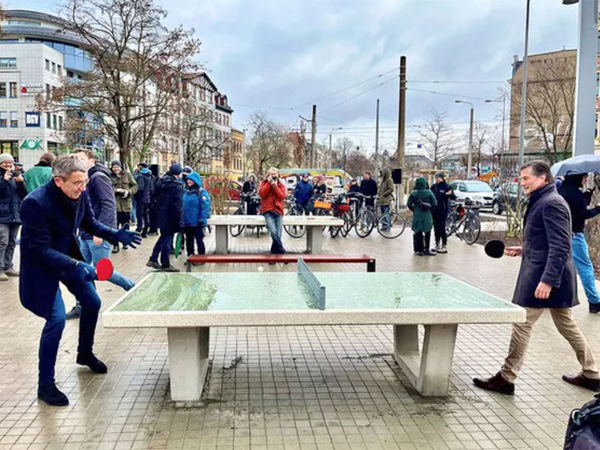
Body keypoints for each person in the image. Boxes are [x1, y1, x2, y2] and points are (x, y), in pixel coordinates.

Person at [20, 154, 141, 406]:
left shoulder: (80, 194)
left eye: (84, 182)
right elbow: (41, 250)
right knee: (56, 319)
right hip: (42, 267)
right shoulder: (34, 204)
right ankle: (46, 385)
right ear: (58, 181)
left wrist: (115, 234)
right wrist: (79, 264)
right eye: (77, 183)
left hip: (68, 257)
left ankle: (84, 354)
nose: (83, 188)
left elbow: (91, 222)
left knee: (93, 301)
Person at [473, 161, 600, 395]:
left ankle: (506, 377)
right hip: (547, 274)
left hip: (545, 278)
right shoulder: (544, 199)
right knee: (566, 324)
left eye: (525, 178)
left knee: (522, 322)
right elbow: (547, 239)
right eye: (521, 179)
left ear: (542, 179)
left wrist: (548, 280)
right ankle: (592, 373)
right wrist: (524, 249)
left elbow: (561, 245)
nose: (521, 183)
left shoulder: (552, 203)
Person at [66, 150, 135, 320]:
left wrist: (101, 231)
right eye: (75, 159)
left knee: (103, 271)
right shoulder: (84, 179)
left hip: (97, 234)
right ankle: (84, 305)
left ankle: (133, 288)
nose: (78, 163)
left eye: (81, 159)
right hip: (84, 234)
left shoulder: (98, 178)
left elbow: (108, 205)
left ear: (91, 160)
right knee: (80, 271)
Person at [558, 173, 600, 314]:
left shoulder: (561, 191)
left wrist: (587, 194)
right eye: (584, 177)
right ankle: (594, 301)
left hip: (560, 234)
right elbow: (584, 214)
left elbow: (577, 208)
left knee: (558, 265)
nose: (586, 179)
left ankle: (547, 297)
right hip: (575, 236)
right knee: (585, 267)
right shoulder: (575, 194)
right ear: (579, 178)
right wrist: (599, 208)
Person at [147, 164, 184, 271]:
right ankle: (165, 263)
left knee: (163, 237)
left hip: (159, 215)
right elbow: (178, 206)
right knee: (167, 239)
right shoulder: (178, 186)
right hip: (171, 217)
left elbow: (153, 196)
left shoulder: (160, 182)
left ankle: (153, 258)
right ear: (178, 174)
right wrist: (180, 221)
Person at [0, 153, 27, 281]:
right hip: (2, 216)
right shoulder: (2, 178)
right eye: (5, 162)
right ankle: (0, 269)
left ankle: (8, 266)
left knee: (11, 242)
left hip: (15, 215)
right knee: (2, 242)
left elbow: (24, 195)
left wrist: (21, 183)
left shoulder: (16, 176)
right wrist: (4, 181)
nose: (8, 164)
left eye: (10, 162)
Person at [110, 161, 138, 253]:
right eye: (114, 167)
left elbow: (135, 186)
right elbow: (107, 188)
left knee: (125, 225)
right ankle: (115, 245)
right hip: (115, 205)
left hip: (126, 204)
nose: (116, 169)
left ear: (121, 167)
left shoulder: (127, 175)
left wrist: (128, 191)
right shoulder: (110, 176)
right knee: (115, 227)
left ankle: (125, 242)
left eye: (117, 167)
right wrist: (115, 190)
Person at [182, 172, 211, 256]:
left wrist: (202, 219)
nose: (189, 181)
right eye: (188, 180)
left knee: (199, 240)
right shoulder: (186, 192)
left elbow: (205, 206)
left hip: (197, 222)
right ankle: (190, 258)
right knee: (189, 241)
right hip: (187, 223)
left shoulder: (201, 192)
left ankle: (201, 258)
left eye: (191, 180)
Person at [259, 167, 286, 255]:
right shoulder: (264, 183)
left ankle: (273, 254)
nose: (273, 176)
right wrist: (269, 184)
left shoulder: (281, 185)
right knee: (273, 232)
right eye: (271, 174)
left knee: (278, 234)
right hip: (268, 211)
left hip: (278, 212)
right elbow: (262, 194)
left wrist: (275, 186)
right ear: (268, 175)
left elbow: (281, 197)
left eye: (275, 174)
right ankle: (282, 250)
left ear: (278, 175)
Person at [407, 177, 437, 256]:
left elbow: (409, 204)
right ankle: (426, 249)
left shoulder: (413, 193)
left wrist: (414, 209)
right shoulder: (429, 192)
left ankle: (419, 250)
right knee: (427, 232)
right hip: (427, 214)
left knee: (418, 232)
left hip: (417, 214)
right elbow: (434, 203)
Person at [431, 172, 454, 254]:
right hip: (434, 210)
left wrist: (449, 194)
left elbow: (452, 196)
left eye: (438, 178)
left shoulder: (447, 187)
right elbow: (432, 197)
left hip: (442, 210)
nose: (437, 179)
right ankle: (437, 243)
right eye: (436, 178)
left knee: (441, 227)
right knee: (436, 227)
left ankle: (444, 244)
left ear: (442, 178)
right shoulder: (433, 187)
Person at [134, 163, 154, 237]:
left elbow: (140, 188)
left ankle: (139, 229)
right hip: (148, 199)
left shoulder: (140, 176)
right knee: (146, 214)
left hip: (141, 198)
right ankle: (145, 229)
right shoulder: (150, 176)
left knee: (139, 215)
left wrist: (136, 195)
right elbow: (152, 189)